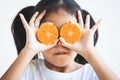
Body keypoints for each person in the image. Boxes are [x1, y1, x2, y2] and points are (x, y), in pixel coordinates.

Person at [1, 0, 120, 80]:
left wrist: (90, 52)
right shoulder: (24, 71)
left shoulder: (95, 73)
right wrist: (29, 50)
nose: (60, 42)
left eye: (69, 32)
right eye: (49, 33)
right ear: (36, 35)